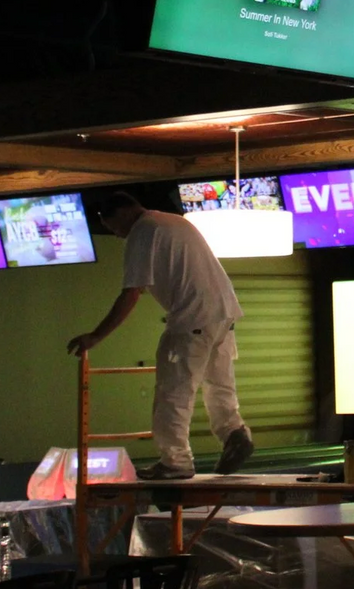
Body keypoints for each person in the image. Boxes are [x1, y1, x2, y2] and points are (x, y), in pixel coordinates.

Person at [67, 191, 254, 480]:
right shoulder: (175, 222)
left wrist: (95, 336)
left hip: (191, 317)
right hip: (224, 313)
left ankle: (175, 461)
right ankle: (234, 432)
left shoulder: (143, 231)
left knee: (174, 392)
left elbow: (131, 294)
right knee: (219, 384)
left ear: (118, 214)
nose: (116, 235)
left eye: (111, 228)